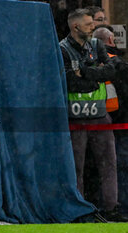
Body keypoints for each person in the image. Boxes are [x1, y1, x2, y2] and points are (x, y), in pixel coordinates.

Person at [59, 8, 128, 222]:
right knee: (76, 167)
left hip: (100, 115)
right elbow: (70, 80)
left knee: (109, 163)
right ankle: (79, 209)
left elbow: (110, 71)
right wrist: (94, 74)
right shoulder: (61, 49)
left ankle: (111, 208)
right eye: (89, 24)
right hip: (75, 117)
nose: (93, 27)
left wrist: (86, 72)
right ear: (75, 26)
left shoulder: (97, 45)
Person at [93, 27, 128, 214]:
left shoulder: (88, 62)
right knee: (119, 167)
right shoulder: (119, 65)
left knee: (99, 168)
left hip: (92, 122)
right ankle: (119, 207)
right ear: (111, 41)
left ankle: (102, 206)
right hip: (119, 124)